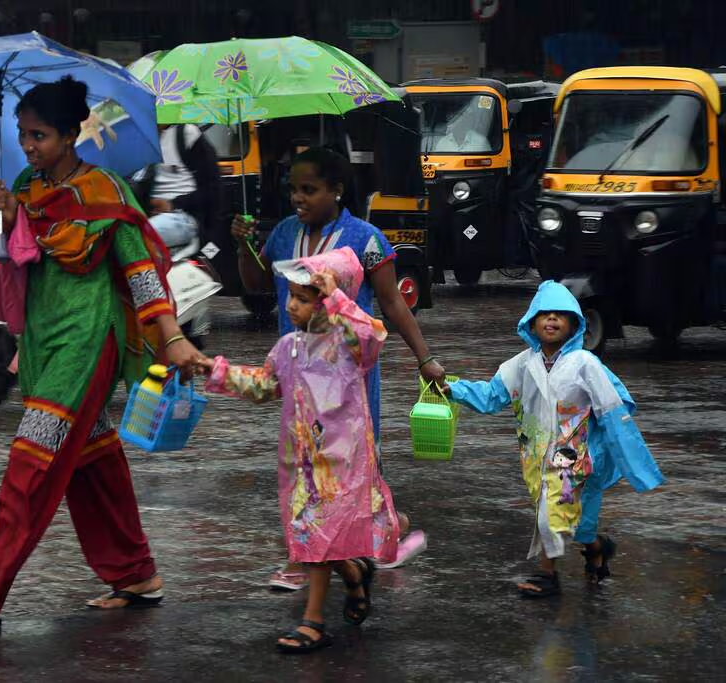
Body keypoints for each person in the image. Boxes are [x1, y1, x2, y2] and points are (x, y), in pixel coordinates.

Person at [0, 76, 207, 627]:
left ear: (69, 134)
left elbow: (141, 271)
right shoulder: (25, 186)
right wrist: (8, 218)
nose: (28, 145)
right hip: (41, 338)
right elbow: (15, 259)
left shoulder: (106, 190)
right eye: (22, 134)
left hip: (88, 339)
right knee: (93, 460)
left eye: (38, 135)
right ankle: (135, 573)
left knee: (31, 460)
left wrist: (172, 337)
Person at [232, 146, 442, 590]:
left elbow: (392, 303)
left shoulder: (365, 238)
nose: (298, 198)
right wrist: (244, 246)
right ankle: (320, 552)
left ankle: (339, 548)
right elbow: (255, 284)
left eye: (309, 189)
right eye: (294, 189)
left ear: (337, 190)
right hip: (300, 375)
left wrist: (425, 358)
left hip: (350, 378)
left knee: (350, 466)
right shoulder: (284, 234)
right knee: (304, 465)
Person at [199, 247, 407, 653]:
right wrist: (214, 370)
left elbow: (372, 336)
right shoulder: (287, 347)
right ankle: (353, 574)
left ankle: (313, 621)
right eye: (290, 296)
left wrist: (336, 296)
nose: (291, 305)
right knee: (313, 533)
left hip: (343, 461)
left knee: (318, 533)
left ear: (327, 302)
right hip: (302, 462)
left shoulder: (349, 346)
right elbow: (264, 385)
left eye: (303, 298)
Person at [444, 281, 664, 598]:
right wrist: (453, 389)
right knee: (579, 527)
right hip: (536, 457)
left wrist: (629, 458)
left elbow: (612, 411)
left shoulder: (585, 365)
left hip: (574, 458)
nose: (551, 319)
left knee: (551, 515)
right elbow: (491, 395)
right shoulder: (521, 365)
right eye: (544, 313)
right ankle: (598, 548)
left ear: (574, 324)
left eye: (560, 314)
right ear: (531, 322)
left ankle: (548, 577)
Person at [134, 123, 222, 250]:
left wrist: (172, 204)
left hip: (184, 217)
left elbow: (212, 188)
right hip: (150, 217)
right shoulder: (142, 142)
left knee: (136, 238)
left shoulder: (186, 134)